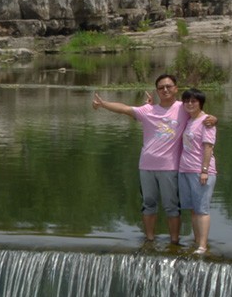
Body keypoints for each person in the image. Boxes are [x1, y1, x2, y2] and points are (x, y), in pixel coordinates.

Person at [92, 74, 216, 245]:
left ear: (175, 88)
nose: (165, 90)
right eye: (161, 87)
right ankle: (149, 239)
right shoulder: (147, 110)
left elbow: (201, 116)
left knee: (172, 207)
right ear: (156, 91)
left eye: (169, 86)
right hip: (146, 166)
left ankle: (174, 242)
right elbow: (124, 109)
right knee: (148, 204)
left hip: (170, 167)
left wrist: (213, 119)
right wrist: (103, 104)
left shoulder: (183, 108)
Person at [179, 88, 217, 254]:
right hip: (185, 169)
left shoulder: (206, 122)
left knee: (202, 209)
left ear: (200, 103)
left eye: (193, 101)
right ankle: (196, 241)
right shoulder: (189, 120)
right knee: (193, 209)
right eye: (186, 101)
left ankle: (203, 245)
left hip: (199, 171)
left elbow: (208, 147)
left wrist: (204, 170)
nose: (189, 104)